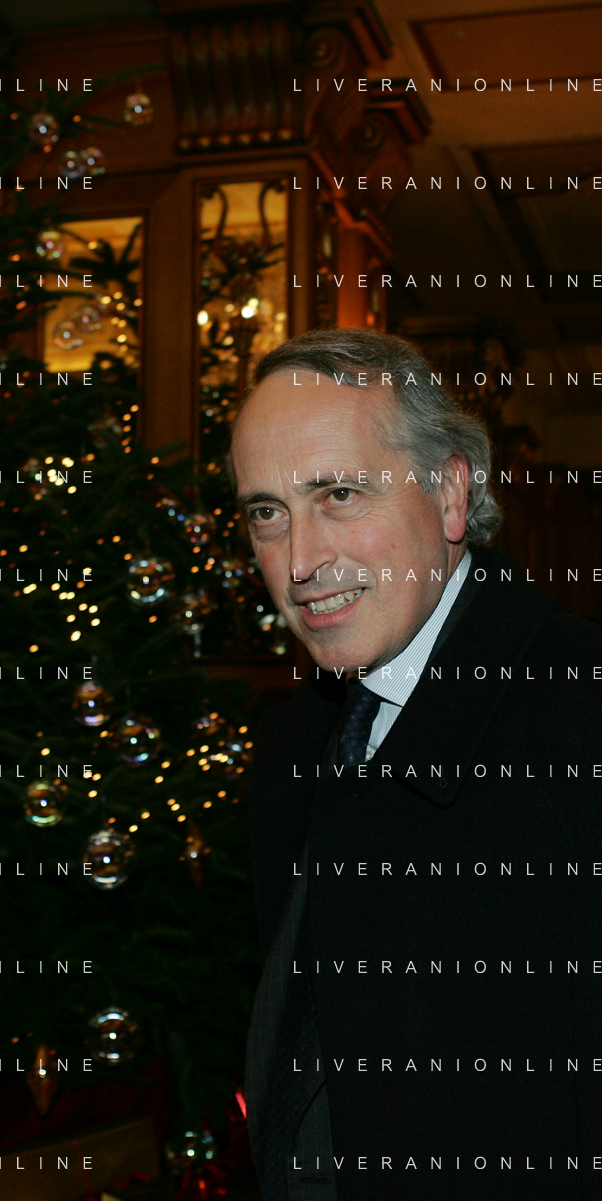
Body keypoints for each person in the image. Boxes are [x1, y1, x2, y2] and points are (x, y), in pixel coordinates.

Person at [227, 328, 602, 1201]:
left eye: (339, 493)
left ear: (450, 493)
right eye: (267, 513)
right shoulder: (294, 742)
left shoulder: (581, 722)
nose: (299, 562)